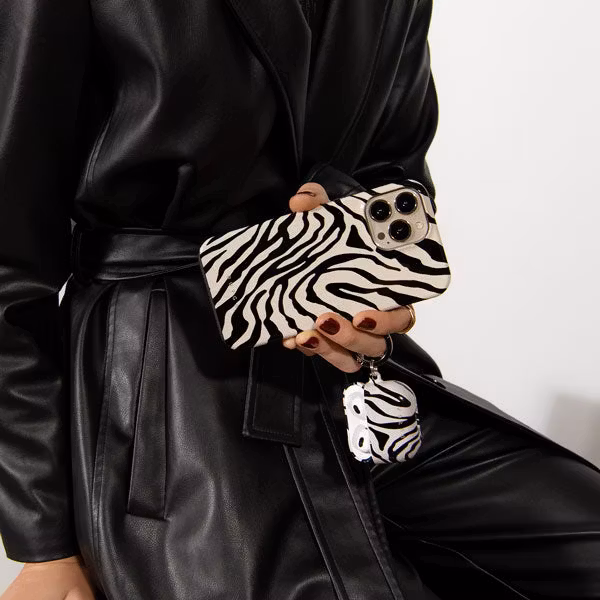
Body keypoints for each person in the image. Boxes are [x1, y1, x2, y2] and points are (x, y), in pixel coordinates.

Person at [1, 0, 599, 599]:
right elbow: (9, 261)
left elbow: (396, 165)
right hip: (163, 393)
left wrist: (367, 265)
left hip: (345, 375)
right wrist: (44, 541)